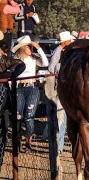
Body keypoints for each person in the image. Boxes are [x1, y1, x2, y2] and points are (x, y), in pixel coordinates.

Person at [12, 35, 48, 149]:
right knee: (18, 115)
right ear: (23, 48)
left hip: (32, 88)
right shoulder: (16, 60)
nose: (30, 49)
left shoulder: (34, 59)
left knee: (29, 116)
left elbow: (45, 63)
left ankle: (28, 140)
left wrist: (39, 48)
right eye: (28, 47)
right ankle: (17, 139)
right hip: (19, 88)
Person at [0, 30, 25, 170]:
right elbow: (20, 64)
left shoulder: (4, 59)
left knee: (2, 133)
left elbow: (20, 64)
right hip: (3, 98)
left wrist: (11, 75)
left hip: (3, 99)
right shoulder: (5, 59)